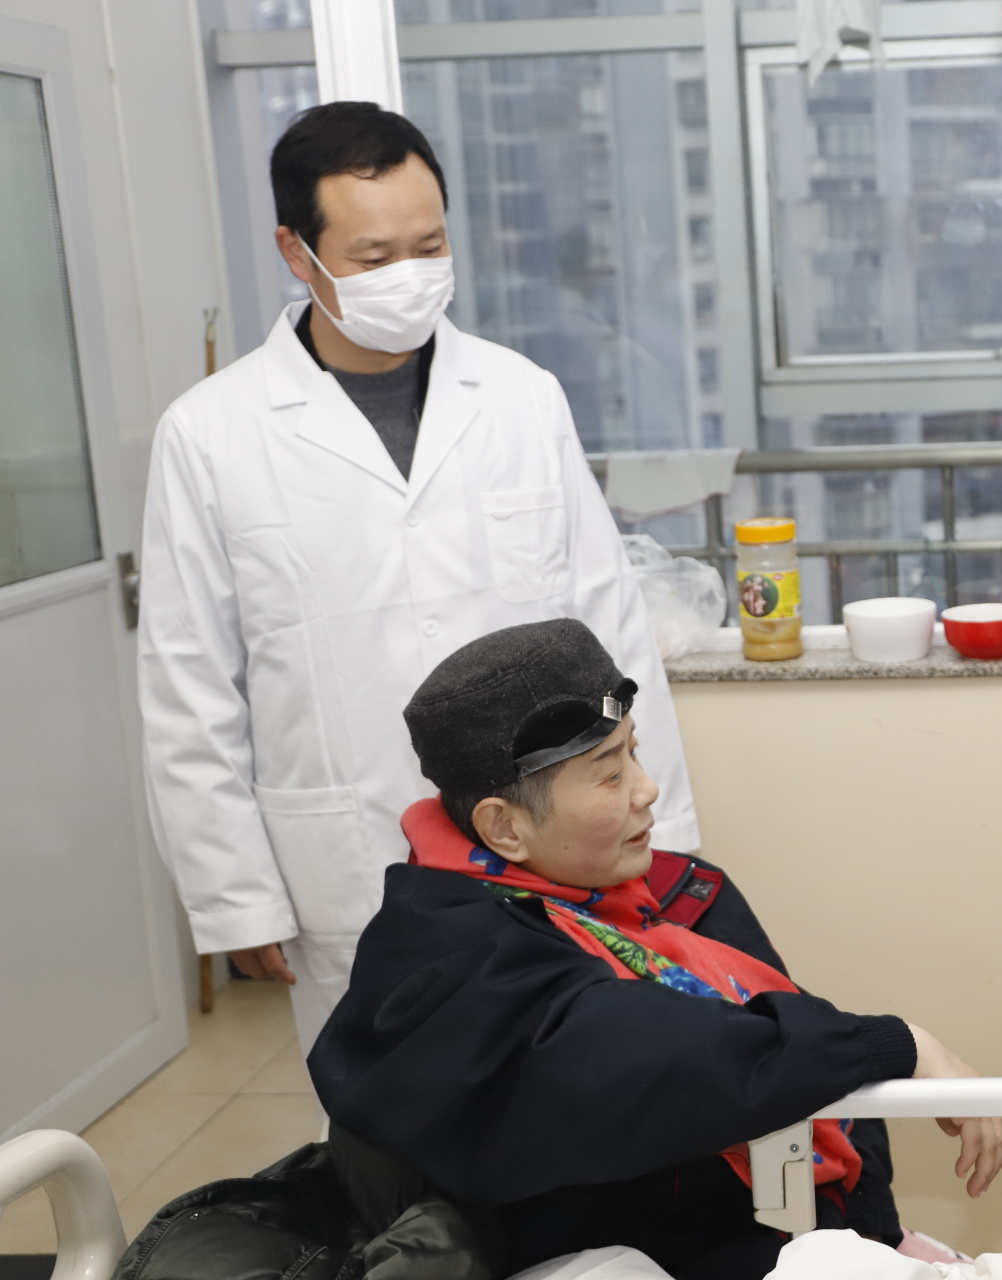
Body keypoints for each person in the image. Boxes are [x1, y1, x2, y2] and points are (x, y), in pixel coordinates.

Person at [137, 101, 698, 1052]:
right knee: (384, 1112)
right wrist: (234, 895)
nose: (409, 274)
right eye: (373, 256)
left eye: (429, 246)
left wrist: (663, 825)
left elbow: (611, 625)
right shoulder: (210, 433)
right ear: (295, 250)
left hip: (546, 848)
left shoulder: (519, 397)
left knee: (573, 1085)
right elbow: (189, 684)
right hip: (349, 855)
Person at [308, 618, 1002, 1278]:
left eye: (634, 753)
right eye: (610, 774)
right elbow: (664, 1058)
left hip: (811, 1234)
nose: (647, 789)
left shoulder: (679, 894)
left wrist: (874, 1230)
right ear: (506, 829)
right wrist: (897, 1044)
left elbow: (794, 1045)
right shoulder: (446, 958)